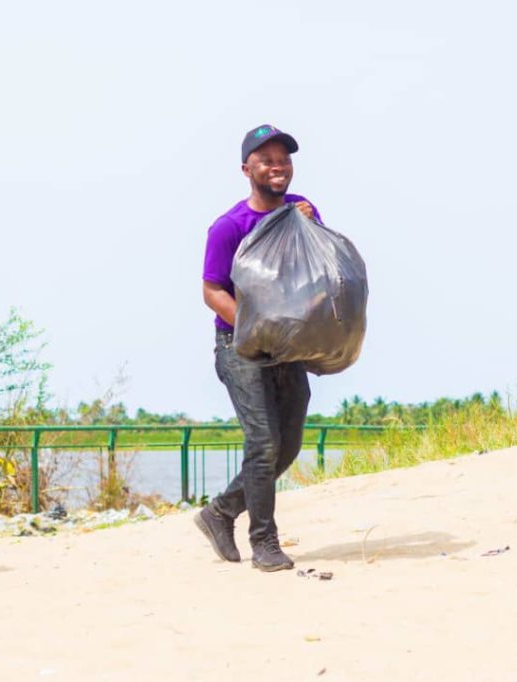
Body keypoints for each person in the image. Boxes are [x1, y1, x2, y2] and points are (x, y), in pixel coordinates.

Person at [195, 124, 320, 572]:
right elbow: (212, 291)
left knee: (286, 446)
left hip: (287, 347)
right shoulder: (229, 228)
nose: (277, 166)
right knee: (263, 441)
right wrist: (253, 327)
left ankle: (221, 511)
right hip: (240, 345)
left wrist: (310, 227)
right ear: (246, 169)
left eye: (283, 159)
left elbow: (318, 270)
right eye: (266, 160)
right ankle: (264, 542)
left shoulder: (301, 213)